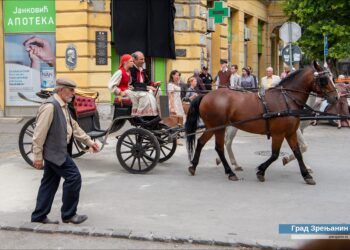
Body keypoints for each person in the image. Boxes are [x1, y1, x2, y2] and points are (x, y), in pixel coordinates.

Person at [31, 78, 100, 225]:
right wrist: (37, 156)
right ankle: (69, 214)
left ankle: (39, 216)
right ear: (61, 90)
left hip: (59, 151)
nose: (73, 93)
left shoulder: (63, 106)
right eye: (71, 90)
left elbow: (74, 127)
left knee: (49, 183)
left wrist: (89, 142)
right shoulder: (50, 107)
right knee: (74, 178)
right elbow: (38, 134)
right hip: (55, 152)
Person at [128, 51, 159, 117]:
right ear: (134, 60)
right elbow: (134, 83)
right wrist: (147, 87)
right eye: (141, 59)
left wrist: (154, 84)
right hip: (134, 90)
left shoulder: (142, 70)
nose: (143, 61)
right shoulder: (131, 69)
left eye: (144, 59)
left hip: (142, 89)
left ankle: (162, 112)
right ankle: (146, 114)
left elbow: (147, 82)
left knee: (159, 90)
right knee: (147, 94)